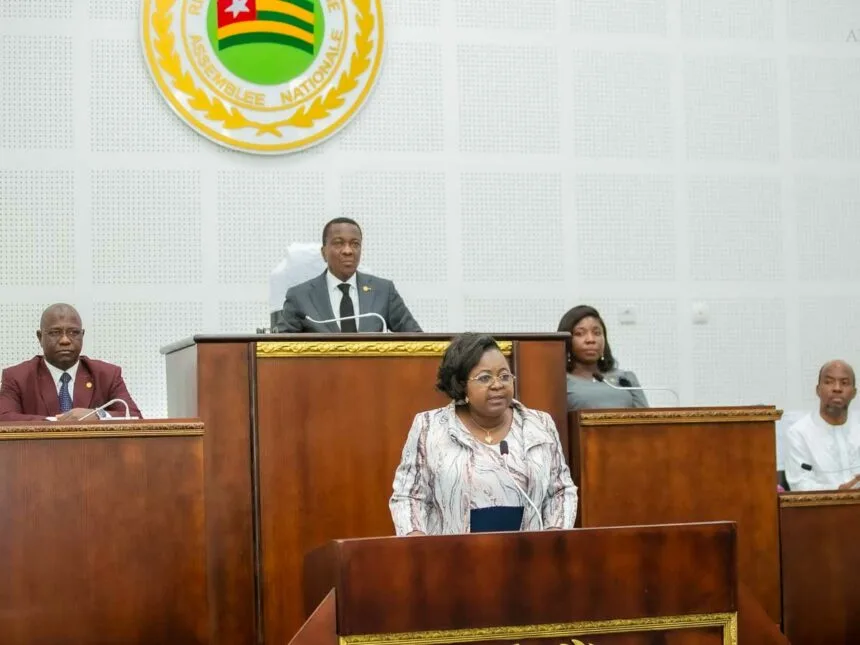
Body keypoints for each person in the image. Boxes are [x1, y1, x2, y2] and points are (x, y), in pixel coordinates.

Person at [389, 333, 576, 535]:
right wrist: (417, 542)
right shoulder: (429, 427)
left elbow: (561, 490)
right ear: (461, 385)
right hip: (451, 558)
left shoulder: (539, 425)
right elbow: (408, 496)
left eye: (504, 376)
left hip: (528, 558)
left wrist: (555, 536)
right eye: (485, 378)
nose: (497, 385)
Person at [0, 303, 142, 422]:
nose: (65, 340)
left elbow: (134, 417)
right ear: (40, 337)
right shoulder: (17, 377)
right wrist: (57, 422)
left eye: (73, 332)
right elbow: (4, 419)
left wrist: (98, 415)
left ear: (82, 335)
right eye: (55, 332)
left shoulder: (107, 375)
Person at [277, 217, 422, 333]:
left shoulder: (383, 291)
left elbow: (416, 338)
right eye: (339, 243)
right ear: (323, 253)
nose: (348, 251)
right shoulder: (300, 296)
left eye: (355, 244)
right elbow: (277, 349)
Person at [785, 360, 860, 491]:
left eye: (844, 383)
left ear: (854, 393)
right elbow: (799, 485)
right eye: (829, 381)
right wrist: (838, 491)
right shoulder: (799, 433)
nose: (837, 388)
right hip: (821, 510)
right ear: (818, 390)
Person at [557, 305, 648, 410]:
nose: (591, 339)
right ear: (566, 340)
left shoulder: (625, 378)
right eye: (580, 334)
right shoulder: (559, 382)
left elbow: (648, 420)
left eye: (597, 333)